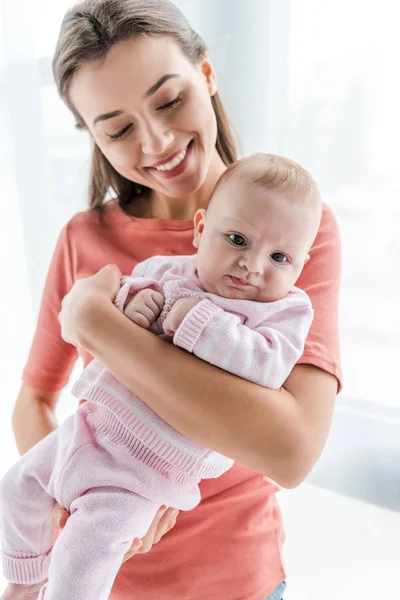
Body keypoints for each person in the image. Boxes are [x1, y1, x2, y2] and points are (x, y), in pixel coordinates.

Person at [9, 1, 342, 599]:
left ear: (207, 75)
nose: (157, 141)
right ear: (93, 138)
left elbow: (291, 452)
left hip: (237, 581)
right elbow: (35, 398)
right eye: (117, 129)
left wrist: (97, 323)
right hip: (97, 580)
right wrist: (78, 491)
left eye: (169, 101)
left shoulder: (290, 237)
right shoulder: (83, 240)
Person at [0, 154, 321, 600]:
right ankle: (23, 583)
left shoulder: (282, 313)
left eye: (279, 256)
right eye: (237, 239)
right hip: (89, 430)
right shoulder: (168, 269)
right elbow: (125, 296)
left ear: (301, 267)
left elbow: (267, 367)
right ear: (200, 229)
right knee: (15, 489)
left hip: (144, 470)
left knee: (85, 553)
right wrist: (130, 309)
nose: (252, 265)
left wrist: (203, 324)